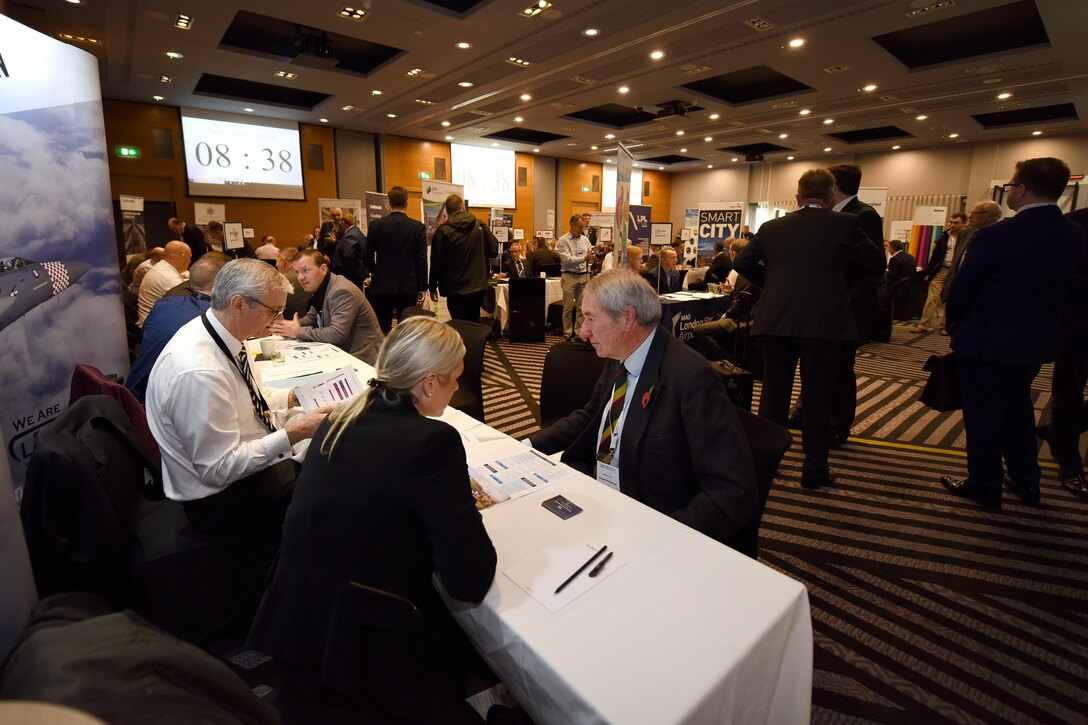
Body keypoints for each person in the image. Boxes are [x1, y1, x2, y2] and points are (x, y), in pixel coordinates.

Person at [247, 317, 495, 723]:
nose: (456, 390)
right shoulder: (433, 441)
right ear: (429, 383)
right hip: (364, 649)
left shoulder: (340, 419)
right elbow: (469, 580)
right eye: (455, 380)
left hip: (299, 624)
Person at [529, 270, 759, 549]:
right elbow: (591, 416)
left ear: (627, 318)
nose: (583, 331)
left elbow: (731, 490)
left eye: (591, 318)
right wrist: (526, 446)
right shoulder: (619, 354)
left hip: (651, 522)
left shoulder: (691, 378)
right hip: (604, 494)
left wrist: (662, 542)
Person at [145, 259, 333, 535]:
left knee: (326, 453)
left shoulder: (220, 335)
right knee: (331, 477)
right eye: (274, 311)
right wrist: (295, 433)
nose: (278, 320)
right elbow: (218, 469)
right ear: (239, 304)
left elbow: (252, 396)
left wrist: (292, 396)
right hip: (219, 499)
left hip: (233, 471)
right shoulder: (200, 372)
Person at [941, 158, 1086, 509]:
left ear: (1021, 189)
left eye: (1010, 186)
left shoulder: (997, 234)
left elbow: (964, 288)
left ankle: (985, 484)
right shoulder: (1074, 234)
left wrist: (955, 327)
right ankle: (1027, 481)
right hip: (1037, 342)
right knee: (1019, 407)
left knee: (983, 415)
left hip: (985, 341)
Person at [733, 169, 885, 489]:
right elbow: (875, 266)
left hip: (778, 321)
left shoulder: (772, 227)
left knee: (773, 397)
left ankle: (768, 465)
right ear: (830, 196)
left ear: (797, 197)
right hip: (825, 324)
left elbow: (742, 263)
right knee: (818, 397)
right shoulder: (846, 223)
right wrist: (843, 293)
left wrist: (771, 285)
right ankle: (814, 471)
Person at [827, 163, 886, 444]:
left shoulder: (863, 215)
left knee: (840, 368)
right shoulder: (834, 215)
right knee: (824, 364)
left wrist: (844, 300)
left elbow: (873, 268)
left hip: (849, 309)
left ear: (834, 186)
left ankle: (838, 426)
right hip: (830, 306)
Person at [126, 254, 228, 403]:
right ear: (222, 283)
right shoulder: (212, 317)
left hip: (134, 393)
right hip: (160, 402)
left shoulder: (164, 304)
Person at [1043, 206, 1088, 495]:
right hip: (1078, 325)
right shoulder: (1074, 224)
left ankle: (1057, 433)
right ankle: (1070, 465)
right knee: (1069, 393)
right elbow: (1055, 274)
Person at [271, 249, 383, 365]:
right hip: (344, 353)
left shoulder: (341, 291)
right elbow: (313, 317)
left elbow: (337, 334)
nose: (300, 277)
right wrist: (290, 326)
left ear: (323, 269)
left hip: (364, 358)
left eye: (306, 270)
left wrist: (297, 331)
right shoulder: (322, 286)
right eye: (297, 272)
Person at [366, 185, 427, 333]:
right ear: (407, 202)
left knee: (382, 328)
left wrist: (375, 271)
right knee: (406, 330)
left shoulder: (376, 225)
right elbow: (421, 259)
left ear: (389, 203)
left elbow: (367, 254)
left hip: (382, 284)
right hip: (409, 285)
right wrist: (422, 287)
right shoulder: (417, 227)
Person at [428, 194, 498, 322]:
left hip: (454, 289)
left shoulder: (443, 231)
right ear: (463, 208)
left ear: (447, 211)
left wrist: (432, 287)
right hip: (477, 286)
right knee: (474, 321)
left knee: (458, 323)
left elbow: (436, 262)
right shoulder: (479, 225)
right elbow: (494, 251)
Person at [689, 237, 761, 361]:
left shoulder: (744, 273)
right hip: (752, 319)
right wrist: (733, 290)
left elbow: (740, 304)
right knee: (715, 320)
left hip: (743, 321)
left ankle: (727, 361)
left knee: (698, 330)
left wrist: (725, 315)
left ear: (733, 253)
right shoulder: (757, 270)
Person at [941, 200, 1003, 310]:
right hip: (958, 287)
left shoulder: (1001, 236)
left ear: (989, 216)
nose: (969, 217)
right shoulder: (965, 233)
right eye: (970, 213)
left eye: (975, 213)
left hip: (982, 294)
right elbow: (957, 260)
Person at [911, 212, 967, 333]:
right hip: (942, 270)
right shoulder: (944, 237)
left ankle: (945, 326)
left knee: (951, 299)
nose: (952, 225)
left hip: (957, 271)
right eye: (951, 222)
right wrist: (928, 273)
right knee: (932, 298)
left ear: (964, 223)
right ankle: (923, 325)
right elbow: (935, 256)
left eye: (956, 223)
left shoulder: (968, 238)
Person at [556, 214, 593, 338]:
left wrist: (592, 256)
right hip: (569, 276)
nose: (582, 229)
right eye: (580, 227)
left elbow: (589, 254)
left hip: (583, 275)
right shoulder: (563, 240)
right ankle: (567, 333)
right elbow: (567, 260)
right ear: (572, 225)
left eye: (583, 227)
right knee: (567, 307)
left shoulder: (585, 240)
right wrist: (584, 258)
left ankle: (578, 333)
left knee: (581, 307)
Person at [137, 241, 190, 326]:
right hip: (155, 326)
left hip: (152, 320)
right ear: (183, 256)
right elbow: (187, 305)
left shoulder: (160, 267)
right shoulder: (169, 278)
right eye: (189, 258)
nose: (189, 261)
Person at [331, 212, 369, 290]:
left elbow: (348, 256)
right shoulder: (356, 231)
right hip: (357, 273)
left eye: (341, 222)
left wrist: (345, 274)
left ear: (344, 222)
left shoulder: (350, 235)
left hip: (352, 275)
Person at [275, 246, 311, 321]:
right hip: (311, 319)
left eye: (277, 261)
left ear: (283, 262)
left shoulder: (281, 279)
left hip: (289, 321)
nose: (276, 264)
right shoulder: (309, 275)